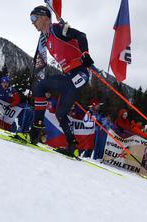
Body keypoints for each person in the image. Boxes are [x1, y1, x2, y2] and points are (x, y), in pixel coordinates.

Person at [28, 6, 94, 157]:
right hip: (72, 77)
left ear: (44, 17)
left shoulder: (57, 29)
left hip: (79, 74)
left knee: (40, 86)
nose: (32, 23)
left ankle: (34, 133)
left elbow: (81, 36)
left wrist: (85, 53)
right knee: (60, 113)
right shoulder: (48, 39)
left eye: (33, 18)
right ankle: (73, 146)